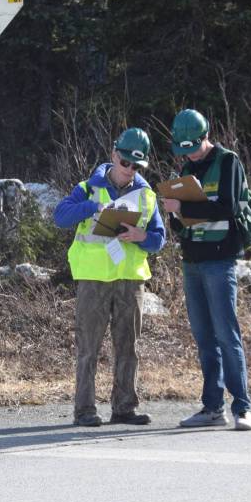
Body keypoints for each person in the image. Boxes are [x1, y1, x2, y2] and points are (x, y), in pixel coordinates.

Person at [53, 128, 167, 427]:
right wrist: (93, 208)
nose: (130, 170)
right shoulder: (88, 188)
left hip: (130, 281)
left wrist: (141, 236)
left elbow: (159, 240)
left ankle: (124, 408)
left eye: (137, 166)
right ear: (114, 155)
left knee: (128, 346)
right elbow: (61, 217)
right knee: (88, 346)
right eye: (126, 163)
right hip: (93, 279)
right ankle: (85, 410)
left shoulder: (147, 195)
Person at [162, 109, 251, 431]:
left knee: (227, 335)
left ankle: (242, 407)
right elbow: (182, 225)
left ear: (205, 137)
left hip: (220, 259)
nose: (187, 153)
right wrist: (175, 215)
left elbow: (228, 208)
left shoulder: (228, 162)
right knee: (204, 338)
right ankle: (212, 407)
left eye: (192, 146)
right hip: (192, 260)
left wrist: (184, 207)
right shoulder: (188, 168)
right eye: (182, 148)